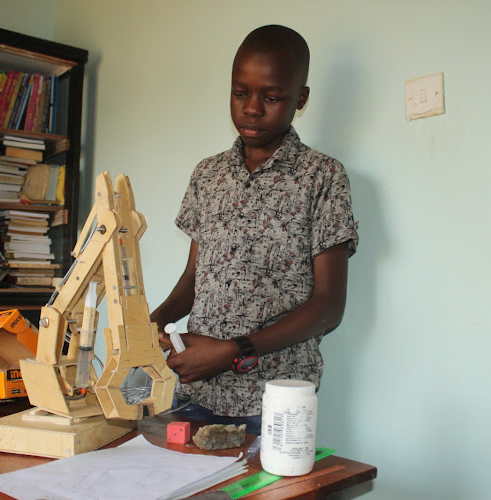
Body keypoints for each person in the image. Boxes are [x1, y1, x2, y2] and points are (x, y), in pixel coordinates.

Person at [151, 24, 358, 436]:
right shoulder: (207, 175)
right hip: (196, 393)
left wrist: (233, 351)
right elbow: (195, 278)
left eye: (272, 96)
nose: (251, 108)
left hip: (275, 401)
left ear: (300, 99)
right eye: (240, 92)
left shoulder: (322, 176)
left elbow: (328, 306)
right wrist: (153, 322)